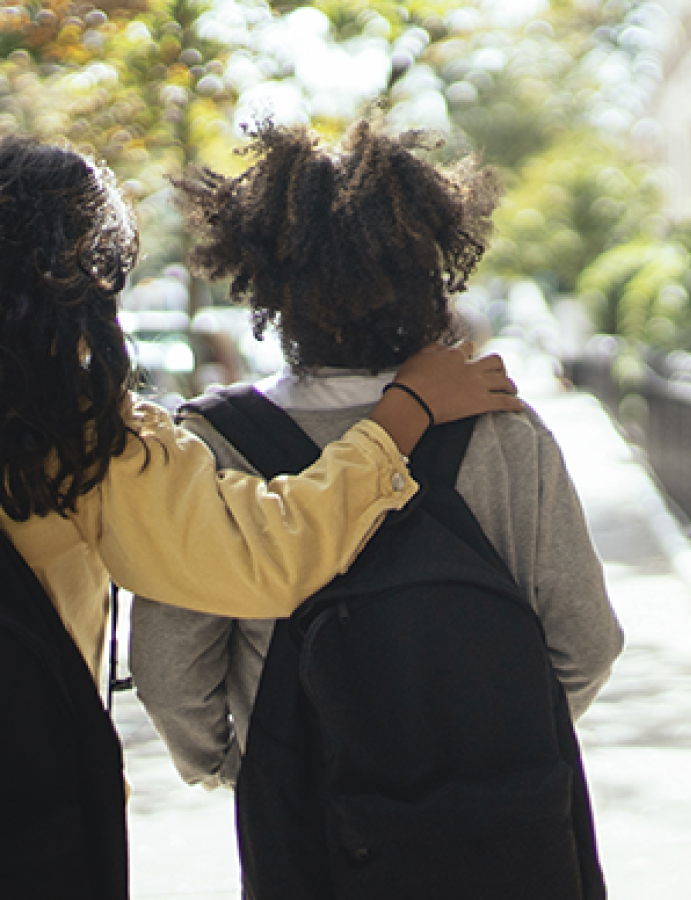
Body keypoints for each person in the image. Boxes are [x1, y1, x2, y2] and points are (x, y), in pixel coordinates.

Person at [0, 134, 521, 900]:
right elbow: (265, 556)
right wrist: (406, 413)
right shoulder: (67, 436)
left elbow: (174, 671)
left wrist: (217, 756)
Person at [131, 116, 623, 893]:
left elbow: (168, 672)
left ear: (270, 283)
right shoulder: (502, 428)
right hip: (506, 829)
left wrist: (246, 760)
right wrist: (494, 743)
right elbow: (587, 643)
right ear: (431, 271)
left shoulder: (214, 445)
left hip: (314, 828)